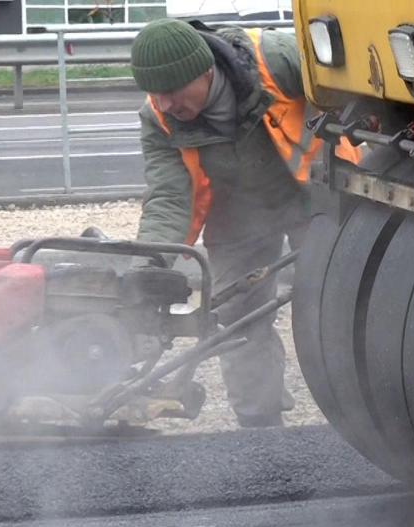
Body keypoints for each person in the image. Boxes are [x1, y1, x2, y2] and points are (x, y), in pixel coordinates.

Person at [129, 18, 359, 428]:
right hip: (236, 214)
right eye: (155, 95)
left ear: (205, 72)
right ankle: (261, 427)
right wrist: (150, 266)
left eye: (172, 94)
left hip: (312, 194)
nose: (163, 105)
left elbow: (357, 88)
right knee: (238, 321)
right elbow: (168, 197)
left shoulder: (280, 60)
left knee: (336, 304)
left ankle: (361, 421)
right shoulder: (160, 119)